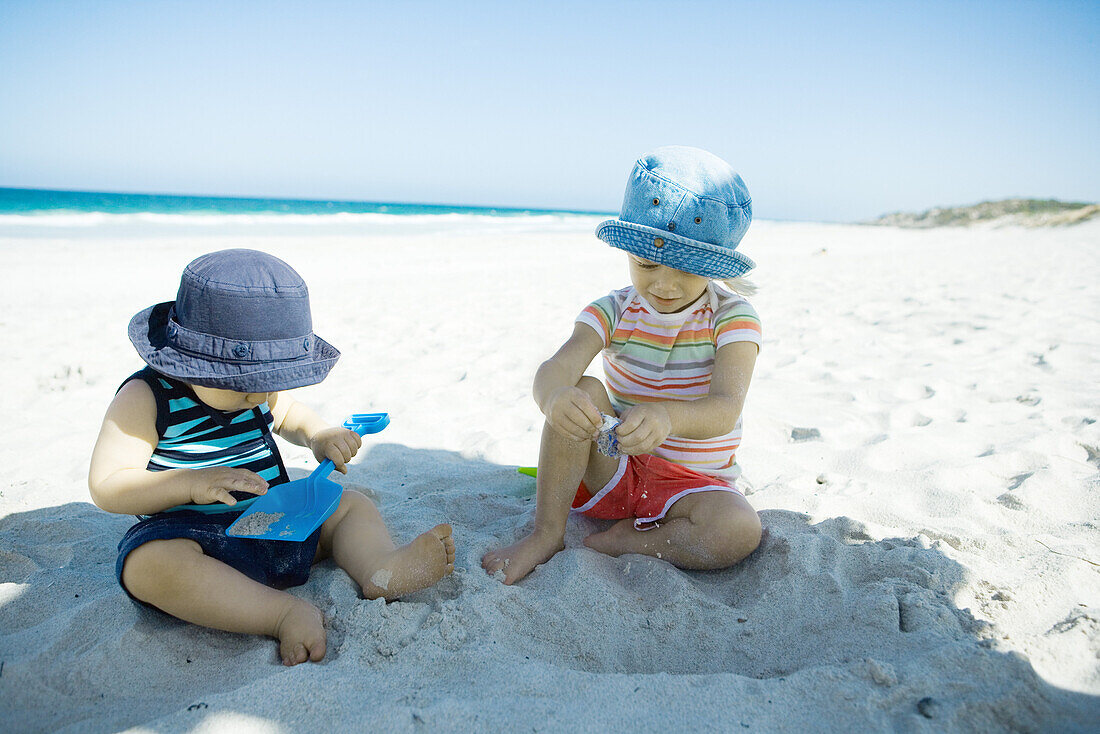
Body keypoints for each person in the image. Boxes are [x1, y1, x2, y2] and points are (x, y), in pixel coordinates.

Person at [89, 249, 455, 666]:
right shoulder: (146, 398)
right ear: (191, 361)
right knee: (147, 565)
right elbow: (108, 484)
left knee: (348, 504)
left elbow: (290, 416)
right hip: (196, 538)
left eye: (270, 381)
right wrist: (188, 483)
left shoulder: (258, 390)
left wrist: (318, 435)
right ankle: (280, 613)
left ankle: (379, 569)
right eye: (245, 383)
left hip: (276, 524)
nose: (260, 396)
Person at [483, 146, 763, 585]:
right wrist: (555, 398)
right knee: (583, 389)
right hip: (613, 469)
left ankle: (635, 541)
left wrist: (669, 417)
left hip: (692, 486)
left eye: (686, 271)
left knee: (739, 531)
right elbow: (554, 369)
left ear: (713, 266)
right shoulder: (613, 310)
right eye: (646, 264)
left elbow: (726, 406)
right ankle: (547, 533)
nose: (664, 285)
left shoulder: (731, 317)